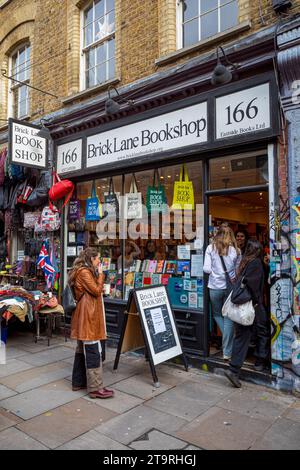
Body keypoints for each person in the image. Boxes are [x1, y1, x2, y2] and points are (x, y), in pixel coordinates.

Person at [69, 247, 114, 399]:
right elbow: (95, 290)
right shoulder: (84, 272)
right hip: (88, 316)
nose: (99, 261)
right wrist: (101, 275)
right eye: (97, 259)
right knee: (94, 350)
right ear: (91, 259)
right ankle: (95, 388)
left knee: (82, 350)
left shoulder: (85, 271)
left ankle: (78, 382)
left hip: (87, 315)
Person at [224, 240, 270, 388]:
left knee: (242, 336)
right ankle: (258, 361)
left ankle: (234, 369)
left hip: (242, 304)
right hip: (251, 305)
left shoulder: (245, 261)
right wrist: (257, 303)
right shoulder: (255, 263)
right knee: (262, 330)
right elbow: (254, 286)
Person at [203, 226, 239, 360]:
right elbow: (235, 272)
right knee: (228, 317)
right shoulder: (235, 250)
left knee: (217, 314)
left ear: (217, 235)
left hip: (214, 287)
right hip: (229, 288)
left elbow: (206, 269)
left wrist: (215, 274)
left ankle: (227, 344)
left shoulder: (210, 248)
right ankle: (227, 352)